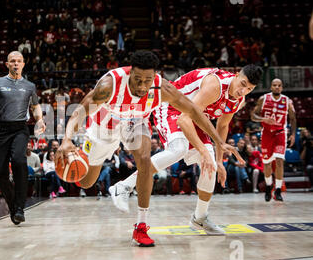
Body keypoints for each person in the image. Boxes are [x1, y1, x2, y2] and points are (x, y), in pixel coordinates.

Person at [57, 51, 237, 246]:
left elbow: (193, 110)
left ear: (154, 76)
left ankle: (141, 226)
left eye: (148, 80)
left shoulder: (162, 88)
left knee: (144, 160)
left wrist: (218, 140)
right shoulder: (110, 85)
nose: (143, 86)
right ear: (130, 73)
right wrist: (66, 139)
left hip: (135, 121)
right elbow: (79, 112)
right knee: (86, 182)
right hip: (104, 126)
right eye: (138, 80)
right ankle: (74, 163)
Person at [109, 65, 260, 236]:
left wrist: (218, 161)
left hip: (194, 117)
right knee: (178, 149)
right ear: (237, 75)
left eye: (249, 89)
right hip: (171, 106)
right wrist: (202, 151)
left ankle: (200, 218)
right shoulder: (215, 85)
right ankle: (123, 186)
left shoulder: (239, 100)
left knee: (209, 163)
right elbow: (183, 119)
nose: (243, 91)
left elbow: (222, 125)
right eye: (242, 84)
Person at [0, 51, 45, 226]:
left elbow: (36, 106)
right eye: (12, 61)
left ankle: (20, 209)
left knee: (19, 162)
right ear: (7, 64)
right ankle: (13, 205)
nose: (16, 64)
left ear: (23, 64)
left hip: (20, 129)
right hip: (1, 129)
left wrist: (40, 120)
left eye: (19, 61)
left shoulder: (29, 86)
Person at [251, 78, 297, 202]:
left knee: (279, 161)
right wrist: (263, 119)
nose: (277, 87)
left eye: (279, 85)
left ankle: (277, 190)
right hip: (266, 133)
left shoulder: (287, 101)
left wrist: (293, 134)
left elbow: (292, 119)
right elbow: (253, 115)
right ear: (271, 87)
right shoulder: (263, 99)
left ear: (282, 87)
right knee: (266, 163)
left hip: (280, 133)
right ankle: (267, 187)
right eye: (274, 85)